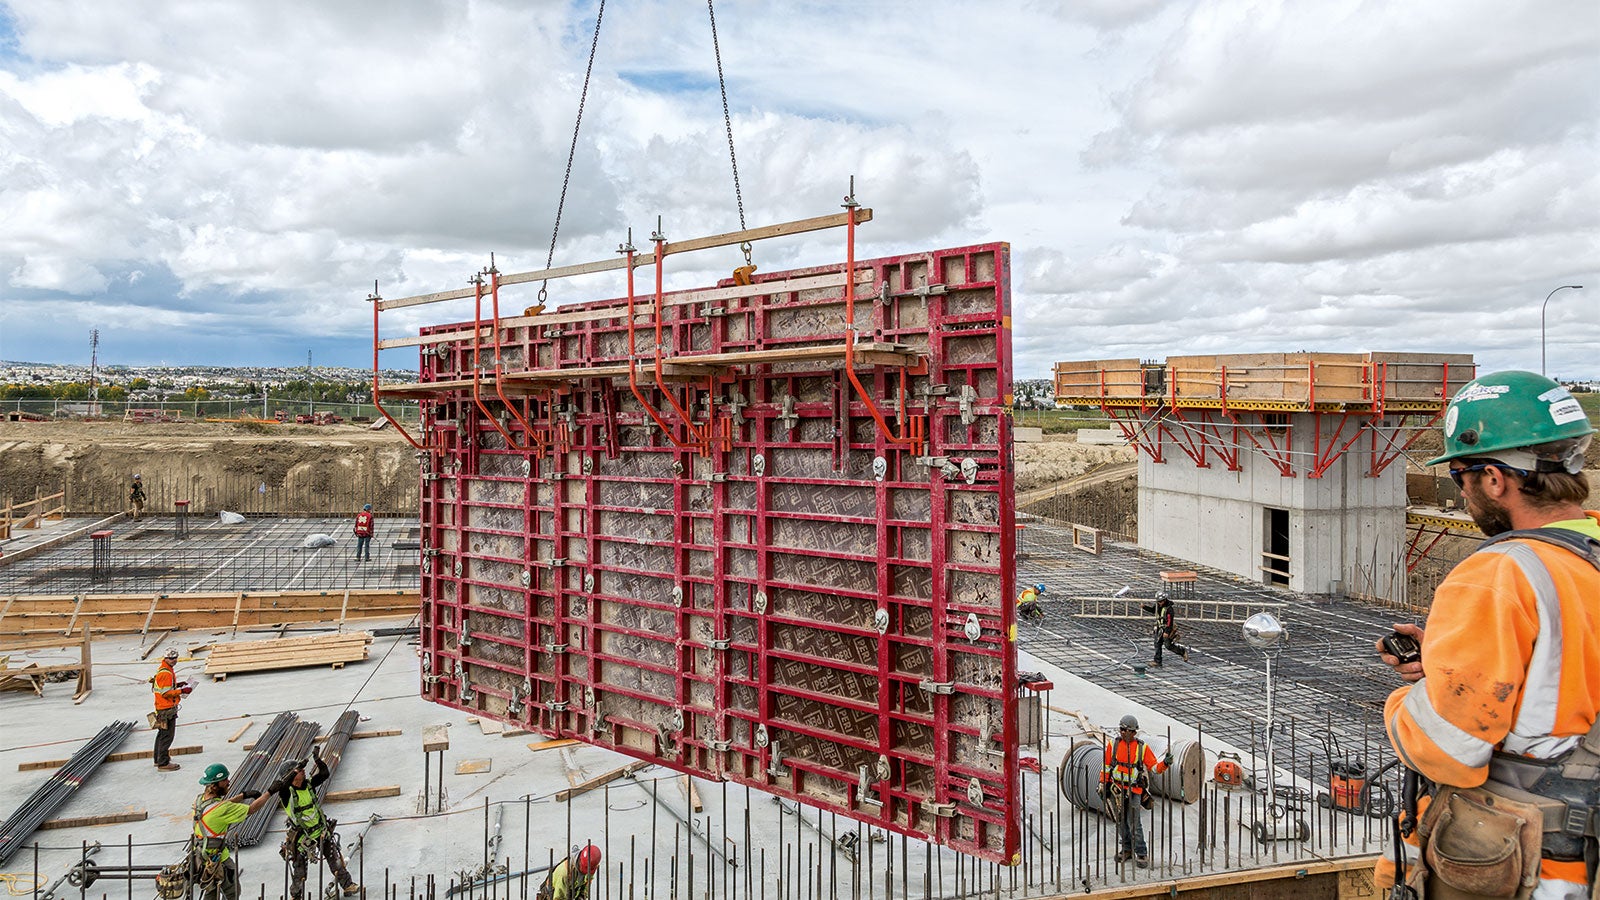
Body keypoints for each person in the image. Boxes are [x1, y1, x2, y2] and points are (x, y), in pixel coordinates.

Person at [1374, 370, 1599, 899]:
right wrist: (1452, 663)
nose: (1466, 492)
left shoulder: (1501, 573)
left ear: (1495, 479)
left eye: (1461, 476)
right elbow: (1566, 672)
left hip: (1534, 866)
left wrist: (1411, 699)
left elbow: (1446, 745)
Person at [265, 749, 361, 899]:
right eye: (299, 771)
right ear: (291, 775)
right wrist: (295, 769)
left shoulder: (308, 785)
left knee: (335, 861)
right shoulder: (286, 793)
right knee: (300, 872)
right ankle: (296, 896)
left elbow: (324, 774)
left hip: (321, 831)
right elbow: (282, 783)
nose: (303, 772)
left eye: (302, 770)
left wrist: (317, 759)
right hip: (303, 838)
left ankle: (347, 885)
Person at [191, 762, 274, 900]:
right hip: (218, 860)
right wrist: (269, 792)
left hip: (200, 856)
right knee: (231, 893)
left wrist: (243, 795)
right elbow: (251, 809)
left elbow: (219, 806)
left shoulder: (200, 800)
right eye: (225, 780)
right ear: (215, 785)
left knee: (212, 891)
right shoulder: (221, 809)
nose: (228, 782)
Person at [1099, 715, 1172, 867]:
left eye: (1127, 730)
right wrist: (1103, 783)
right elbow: (1106, 766)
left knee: (1134, 823)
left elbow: (1154, 768)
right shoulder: (1113, 745)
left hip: (1134, 790)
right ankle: (1126, 849)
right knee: (1120, 821)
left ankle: (1141, 852)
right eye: (1122, 730)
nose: (1123, 733)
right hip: (1116, 789)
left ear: (1133, 732)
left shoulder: (1141, 748)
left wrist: (1165, 763)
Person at [151, 648, 191, 771]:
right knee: (167, 736)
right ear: (166, 658)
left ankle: (158, 759)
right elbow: (165, 693)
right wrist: (181, 691)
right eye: (171, 658)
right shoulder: (165, 673)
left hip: (163, 708)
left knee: (162, 734)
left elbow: (166, 687)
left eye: (175, 658)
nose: (174, 661)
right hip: (166, 709)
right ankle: (163, 763)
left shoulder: (167, 670)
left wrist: (178, 684)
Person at [536, 845, 601, 900]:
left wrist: (581, 897)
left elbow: (587, 884)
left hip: (570, 893)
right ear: (580, 862)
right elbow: (558, 898)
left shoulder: (591, 866)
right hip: (552, 895)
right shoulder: (564, 873)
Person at [1147, 594, 1190, 665]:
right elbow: (1153, 610)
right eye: (1158, 602)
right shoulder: (1158, 606)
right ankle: (1157, 661)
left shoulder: (1169, 609)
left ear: (1164, 600)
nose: (1159, 603)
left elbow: (1169, 622)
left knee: (1168, 645)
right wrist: (1144, 607)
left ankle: (1182, 651)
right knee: (1157, 644)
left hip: (1167, 629)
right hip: (1159, 628)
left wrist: (1167, 632)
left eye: (1160, 602)